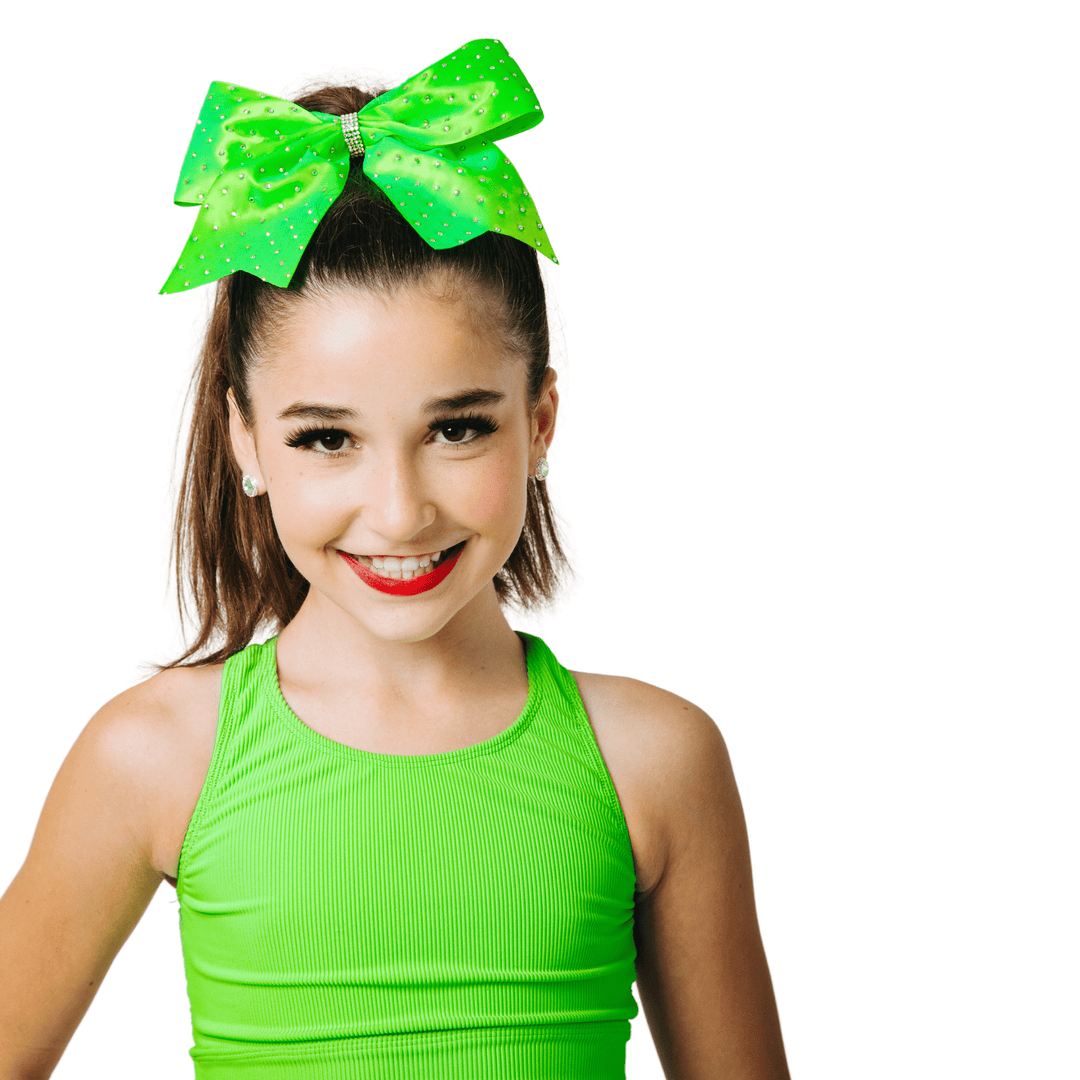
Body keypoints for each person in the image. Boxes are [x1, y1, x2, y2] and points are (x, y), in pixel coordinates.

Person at [0, 39, 789, 1080]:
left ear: (539, 421)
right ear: (243, 437)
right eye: (327, 438)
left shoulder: (658, 760)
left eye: (457, 428)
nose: (401, 509)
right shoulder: (152, 757)